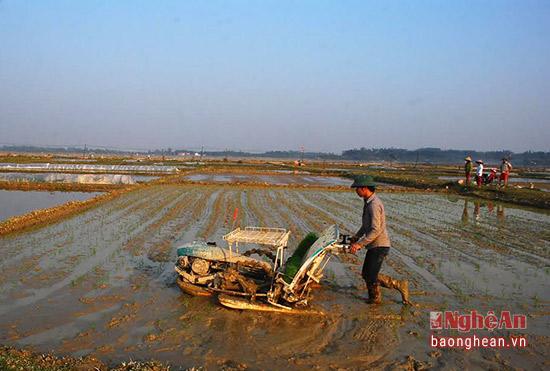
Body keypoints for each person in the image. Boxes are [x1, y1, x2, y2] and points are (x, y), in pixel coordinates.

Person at [349, 175, 410, 305]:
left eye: (357, 188)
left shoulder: (374, 205)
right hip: (374, 244)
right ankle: (375, 297)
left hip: (379, 245)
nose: (356, 191)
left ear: (364, 188)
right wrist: (356, 236)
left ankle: (396, 286)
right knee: (367, 274)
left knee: (370, 275)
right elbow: (366, 226)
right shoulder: (368, 202)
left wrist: (359, 244)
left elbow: (375, 230)